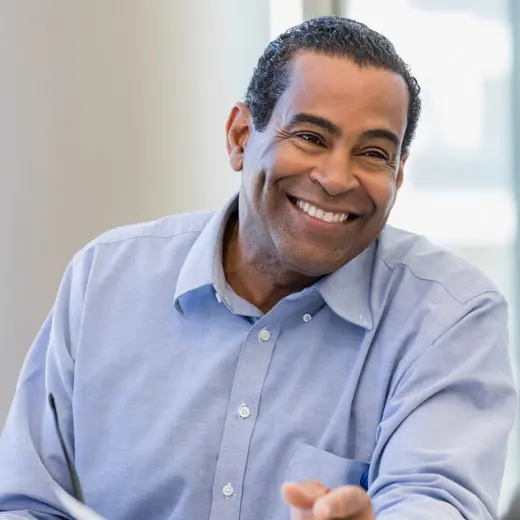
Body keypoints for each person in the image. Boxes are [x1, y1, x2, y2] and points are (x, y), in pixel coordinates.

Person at [0, 15, 515, 520]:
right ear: (241, 136)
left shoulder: (449, 316)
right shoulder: (104, 279)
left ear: (398, 176)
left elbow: (437, 498)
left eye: (374, 153)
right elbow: (26, 502)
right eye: (311, 137)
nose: (337, 178)